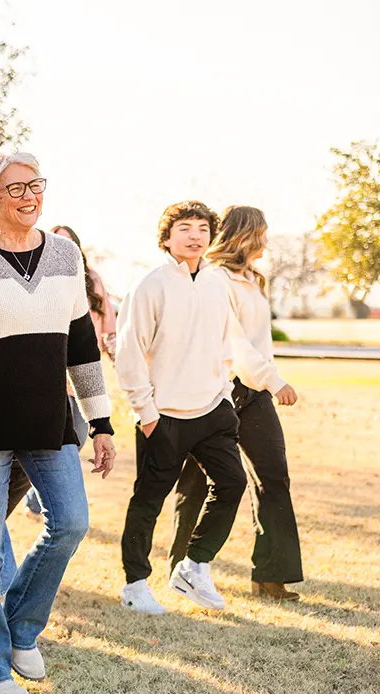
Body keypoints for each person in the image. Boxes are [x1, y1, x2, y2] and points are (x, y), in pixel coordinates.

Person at [0, 152, 117, 694]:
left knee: (72, 523)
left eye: (36, 185)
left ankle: (20, 630)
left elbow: (81, 343)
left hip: (49, 421)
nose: (29, 196)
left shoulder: (65, 254)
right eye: (15, 189)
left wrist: (100, 421)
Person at [115, 201, 274, 615]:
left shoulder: (216, 283)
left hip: (213, 409)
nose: (195, 235)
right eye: (184, 228)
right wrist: (146, 414)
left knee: (232, 483)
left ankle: (194, 565)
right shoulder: (150, 285)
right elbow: (129, 353)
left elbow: (228, 341)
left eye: (203, 228)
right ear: (166, 237)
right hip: (163, 416)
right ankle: (135, 584)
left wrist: (223, 393)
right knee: (149, 501)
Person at [169, 206, 304, 601]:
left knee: (273, 477)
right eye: (261, 232)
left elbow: (258, 341)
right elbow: (235, 343)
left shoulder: (251, 279)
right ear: (244, 235)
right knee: (195, 485)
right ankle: (182, 570)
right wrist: (274, 380)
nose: (266, 240)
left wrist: (265, 380)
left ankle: (271, 574)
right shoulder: (213, 278)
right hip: (215, 390)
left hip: (253, 394)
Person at [20, 224, 117, 517]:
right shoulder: (37, 277)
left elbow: (107, 323)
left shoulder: (91, 280)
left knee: (77, 436)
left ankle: (37, 500)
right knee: (53, 443)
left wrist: (113, 354)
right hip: (49, 379)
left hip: (80, 377)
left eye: (69, 242)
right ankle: (43, 501)